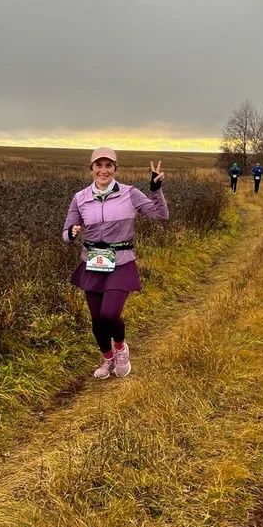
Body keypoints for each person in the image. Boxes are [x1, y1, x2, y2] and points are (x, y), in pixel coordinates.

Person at [62, 147, 168, 379]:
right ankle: (107, 360)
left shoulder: (129, 193)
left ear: (115, 169)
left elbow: (160, 216)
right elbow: (66, 233)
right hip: (93, 261)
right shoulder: (80, 198)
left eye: (108, 165)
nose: (103, 170)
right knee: (97, 318)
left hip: (120, 261)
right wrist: (72, 232)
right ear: (91, 169)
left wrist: (156, 189)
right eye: (98, 165)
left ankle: (121, 348)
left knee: (110, 314)